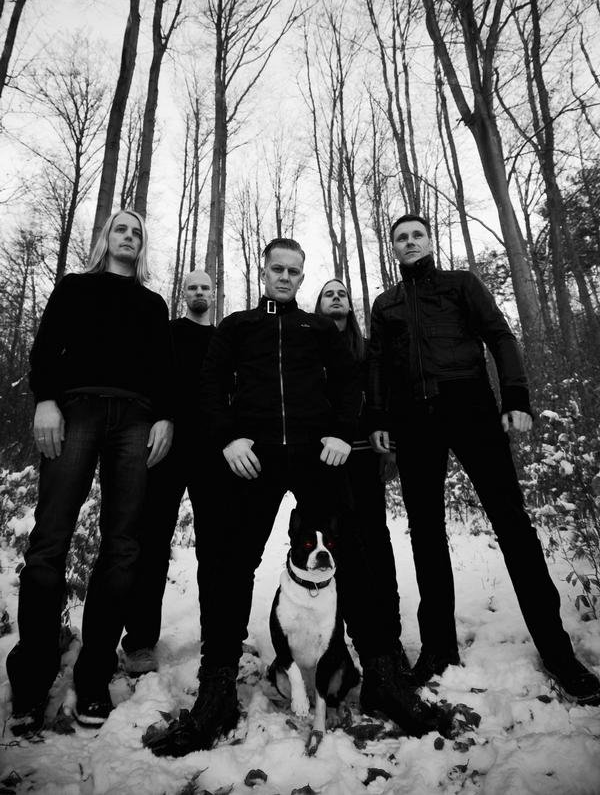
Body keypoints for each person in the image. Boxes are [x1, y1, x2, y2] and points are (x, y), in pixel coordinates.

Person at [144, 237, 443, 759]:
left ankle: (381, 674)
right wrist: (229, 438)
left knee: (354, 557)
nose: (284, 277)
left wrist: (339, 432)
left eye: (293, 271)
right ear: (264, 272)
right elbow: (209, 385)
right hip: (254, 458)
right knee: (229, 564)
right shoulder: (239, 326)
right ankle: (217, 689)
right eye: (277, 269)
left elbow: (349, 382)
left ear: (302, 277)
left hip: (314, 456)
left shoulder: (317, 328)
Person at [367, 213, 600, 704]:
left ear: (429, 241)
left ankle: (558, 652)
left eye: (416, 235)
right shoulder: (386, 303)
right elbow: (380, 366)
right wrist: (380, 417)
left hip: (470, 406)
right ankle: (437, 649)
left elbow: (500, 336)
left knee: (512, 524)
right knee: (426, 533)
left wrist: (516, 397)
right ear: (393, 248)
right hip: (414, 421)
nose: (409, 242)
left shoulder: (461, 285)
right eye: (401, 238)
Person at [7, 210, 175, 735]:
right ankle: (32, 677)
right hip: (75, 409)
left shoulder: (153, 303)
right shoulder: (75, 288)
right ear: (106, 238)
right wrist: (46, 400)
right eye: (121, 229)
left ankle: (95, 673)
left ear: (142, 246)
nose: (129, 236)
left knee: (122, 546)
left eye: (137, 232)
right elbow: (45, 347)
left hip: (136, 419)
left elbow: (163, 367)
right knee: (50, 540)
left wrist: (165, 416)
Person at [121, 269, 217, 676]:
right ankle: (140, 641)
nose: (199, 292)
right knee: (153, 542)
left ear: (214, 293)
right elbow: (151, 378)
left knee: (217, 547)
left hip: (212, 451)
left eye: (205, 287)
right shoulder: (169, 332)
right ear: (184, 294)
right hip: (168, 446)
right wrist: (162, 418)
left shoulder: (223, 339)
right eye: (192, 287)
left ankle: (220, 634)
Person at [314, 278, 404, 659]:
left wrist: (390, 450)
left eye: (342, 294)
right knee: (337, 545)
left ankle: (389, 636)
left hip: (365, 456)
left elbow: (385, 399)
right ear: (319, 305)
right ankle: (339, 638)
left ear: (350, 306)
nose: (336, 298)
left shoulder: (366, 350)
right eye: (328, 294)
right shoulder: (308, 347)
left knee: (375, 541)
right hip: (323, 461)